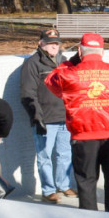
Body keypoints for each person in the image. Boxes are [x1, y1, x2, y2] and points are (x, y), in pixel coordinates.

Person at [45, 33, 109, 212]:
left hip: (83, 135)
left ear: (80, 51)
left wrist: (70, 62)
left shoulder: (68, 74)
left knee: (86, 182)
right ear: (102, 52)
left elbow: (50, 82)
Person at [19, 29, 74, 202]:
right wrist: (37, 116)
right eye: (50, 43)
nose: (54, 46)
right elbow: (28, 93)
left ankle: (64, 186)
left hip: (65, 117)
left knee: (65, 154)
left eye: (56, 43)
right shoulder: (32, 64)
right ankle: (48, 190)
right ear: (41, 43)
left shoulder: (64, 62)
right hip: (44, 119)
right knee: (44, 157)